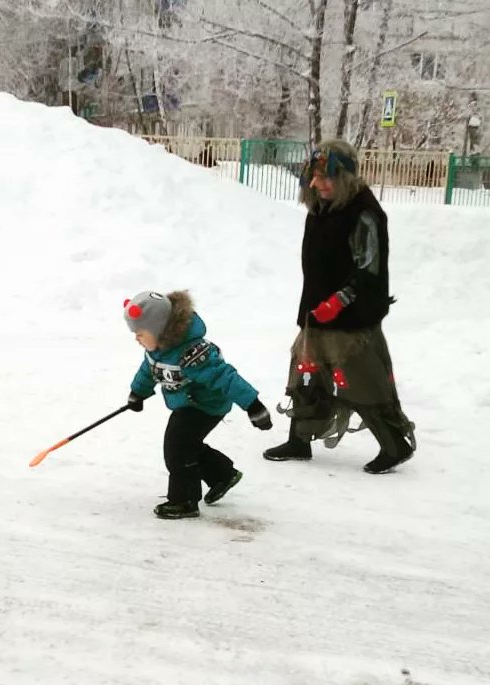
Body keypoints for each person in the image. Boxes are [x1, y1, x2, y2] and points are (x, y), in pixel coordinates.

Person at [263, 139, 415, 474]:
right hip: (316, 311)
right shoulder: (322, 207)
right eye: (314, 176)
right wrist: (318, 304)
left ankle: (395, 445)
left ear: (345, 176)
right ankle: (299, 440)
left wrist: (340, 301)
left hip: (350, 318)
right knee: (305, 373)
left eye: (325, 176)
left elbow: (369, 269)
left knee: (361, 380)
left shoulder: (363, 213)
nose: (317, 184)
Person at [123, 290, 273, 519]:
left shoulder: (192, 354)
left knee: (177, 446)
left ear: (159, 329)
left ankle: (184, 500)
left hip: (206, 404)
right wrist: (137, 393)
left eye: (140, 333)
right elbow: (148, 371)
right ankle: (222, 475)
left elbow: (226, 377)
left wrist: (253, 405)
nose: (136, 338)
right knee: (186, 444)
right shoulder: (157, 351)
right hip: (187, 402)